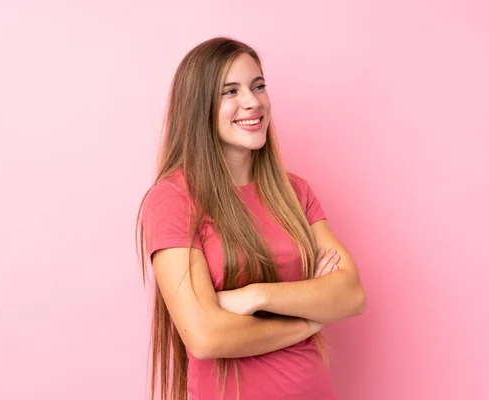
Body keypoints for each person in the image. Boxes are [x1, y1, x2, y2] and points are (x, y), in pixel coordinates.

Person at [136, 37, 367, 400]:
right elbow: (206, 337)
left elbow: (351, 294)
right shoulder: (174, 199)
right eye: (230, 91)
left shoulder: (294, 192)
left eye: (258, 85)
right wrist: (308, 320)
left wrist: (254, 296)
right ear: (200, 108)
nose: (252, 101)